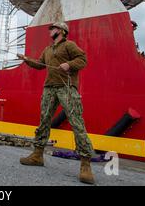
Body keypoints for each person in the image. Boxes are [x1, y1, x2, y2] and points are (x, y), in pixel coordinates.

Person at [17, 22, 95, 185]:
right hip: (49, 88)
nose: (49, 31)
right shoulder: (48, 49)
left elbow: (83, 59)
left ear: (60, 31)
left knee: (76, 123)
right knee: (44, 121)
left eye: (52, 29)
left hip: (66, 88)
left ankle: (85, 164)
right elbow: (40, 64)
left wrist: (69, 64)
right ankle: (37, 155)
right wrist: (26, 60)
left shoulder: (69, 45)